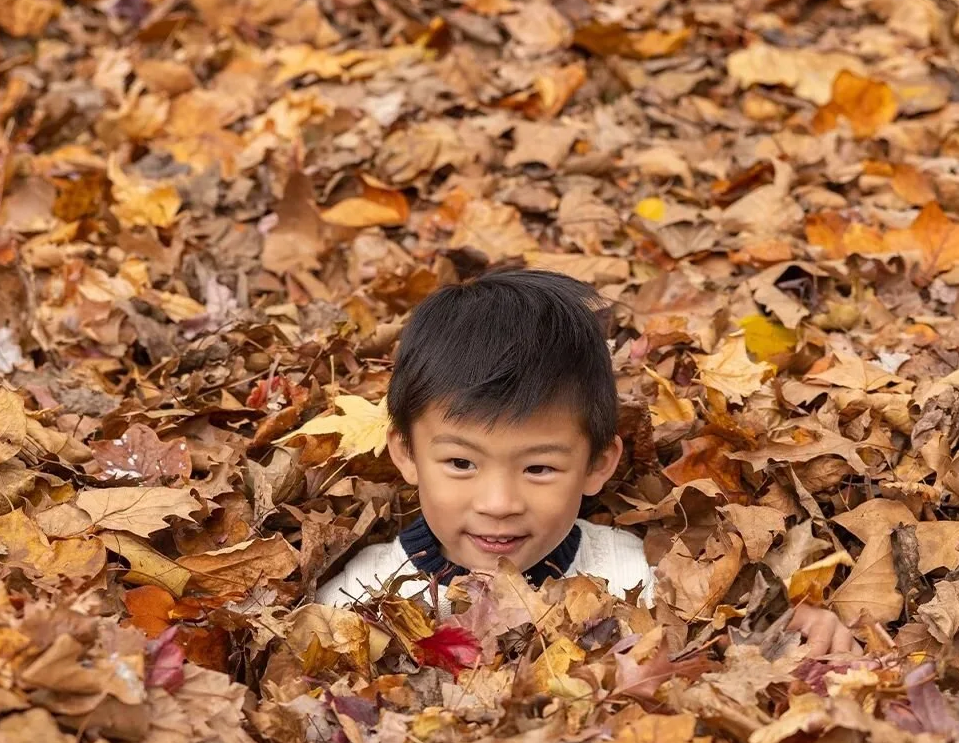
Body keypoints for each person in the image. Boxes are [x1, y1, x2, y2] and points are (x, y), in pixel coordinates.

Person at [316, 269, 856, 653]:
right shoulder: (358, 597)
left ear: (598, 464)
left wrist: (793, 630)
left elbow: (730, 635)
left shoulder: (638, 579)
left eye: (539, 468)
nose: (498, 503)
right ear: (407, 453)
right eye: (461, 464)